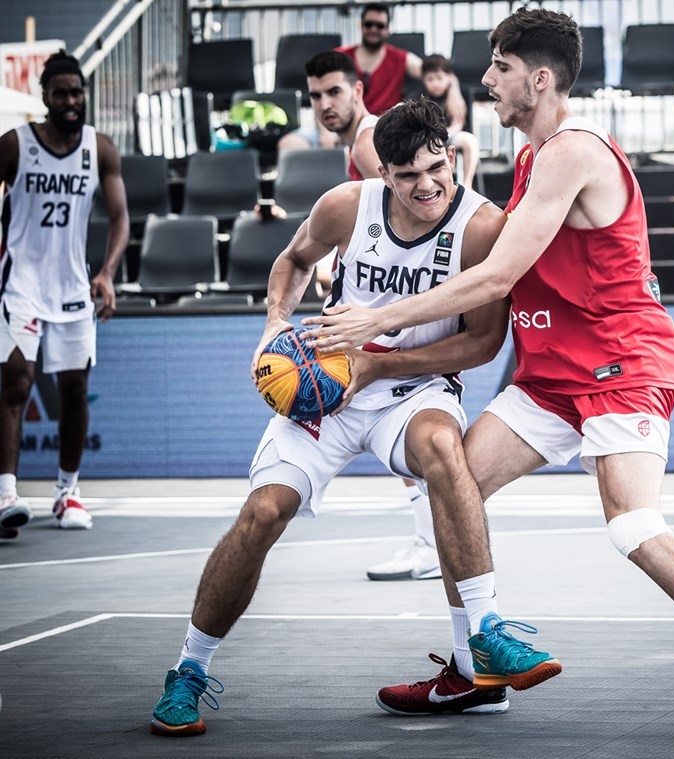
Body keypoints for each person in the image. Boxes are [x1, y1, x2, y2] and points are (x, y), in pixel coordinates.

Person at [305, 8, 674, 745]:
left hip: (619, 365)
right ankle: (474, 672)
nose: (486, 81)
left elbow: (497, 277)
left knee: (633, 525)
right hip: (551, 375)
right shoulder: (529, 158)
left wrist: (375, 320)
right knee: (448, 485)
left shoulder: (572, 153)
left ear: (538, 77)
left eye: (500, 68)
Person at [148, 99, 560, 737]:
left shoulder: (483, 227)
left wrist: (379, 367)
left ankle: (486, 633)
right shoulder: (347, 204)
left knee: (446, 455)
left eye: (435, 166)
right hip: (327, 381)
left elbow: (482, 344)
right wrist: (275, 327)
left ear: (451, 154)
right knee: (261, 513)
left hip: (412, 383)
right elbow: (292, 261)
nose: (425, 184)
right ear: (383, 174)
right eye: (406, 174)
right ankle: (189, 671)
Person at [274, 49, 442, 581]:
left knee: (411, 434)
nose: (325, 104)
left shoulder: (372, 144)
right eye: (316, 96)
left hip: (394, 320)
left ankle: (429, 545)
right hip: (377, 312)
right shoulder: (356, 146)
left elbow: (411, 218)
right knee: (408, 446)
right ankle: (427, 542)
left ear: (359, 92)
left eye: (335, 93)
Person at [0, 51, 128, 537]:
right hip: (21, 283)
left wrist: (108, 272)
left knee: (74, 391)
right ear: (45, 97)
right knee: (16, 382)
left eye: (77, 92)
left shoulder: (101, 149)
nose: (71, 101)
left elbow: (120, 218)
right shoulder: (15, 145)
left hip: (73, 285)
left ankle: (67, 490)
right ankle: (7, 494)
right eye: (61, 93)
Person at [336, 3, 465, 119]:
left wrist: (454, 91)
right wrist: (325, 131)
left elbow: (435, 71)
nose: (373, 29)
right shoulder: (340, 56)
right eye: (369, 24)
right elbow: (319, 89)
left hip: (386, 129)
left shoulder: (401, 58)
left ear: (388, 30)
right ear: (361, 26)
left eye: (380, 26)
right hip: (347, 126)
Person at [421, 54, 480, 188]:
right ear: (423, 79)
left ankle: (467, 186)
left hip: (451, 135)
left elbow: (460, 125)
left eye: (439, 78)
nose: (435, 83)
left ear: (449, 77)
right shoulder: (421, 97)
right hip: (428, 138)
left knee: (469, 141)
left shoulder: (461, 94)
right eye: (430, 79)